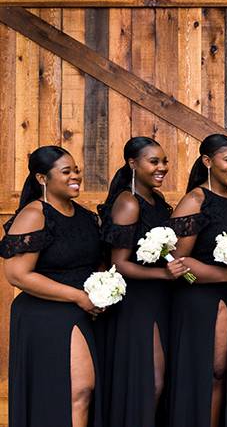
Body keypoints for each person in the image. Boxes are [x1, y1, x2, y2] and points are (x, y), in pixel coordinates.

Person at [1, 146, 104, 427]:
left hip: (84, 311)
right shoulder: (35, 215)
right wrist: (78, 296)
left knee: (82, 393)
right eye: (66, 171)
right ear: (42, 178)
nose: (76, 176)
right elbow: (18, 275)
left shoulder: (85, 217)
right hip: (46, 314)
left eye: (76, 170)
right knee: (78, 390)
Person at [167, 134, 227, 427]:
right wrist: (224, 274)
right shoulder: (195, 201)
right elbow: (177, 263)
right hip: (205, 299)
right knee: (215, 372)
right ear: (208, 162)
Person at [98, 137, 188, 427]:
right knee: (150, 383)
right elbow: (118, 264)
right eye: (154, 161)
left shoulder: (157, 201)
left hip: (162, 299)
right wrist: (164, 273)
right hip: (137, 304)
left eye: (164, 161)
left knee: (160, 383)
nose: (162, 167)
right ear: (133, 164)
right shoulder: (128, 202)